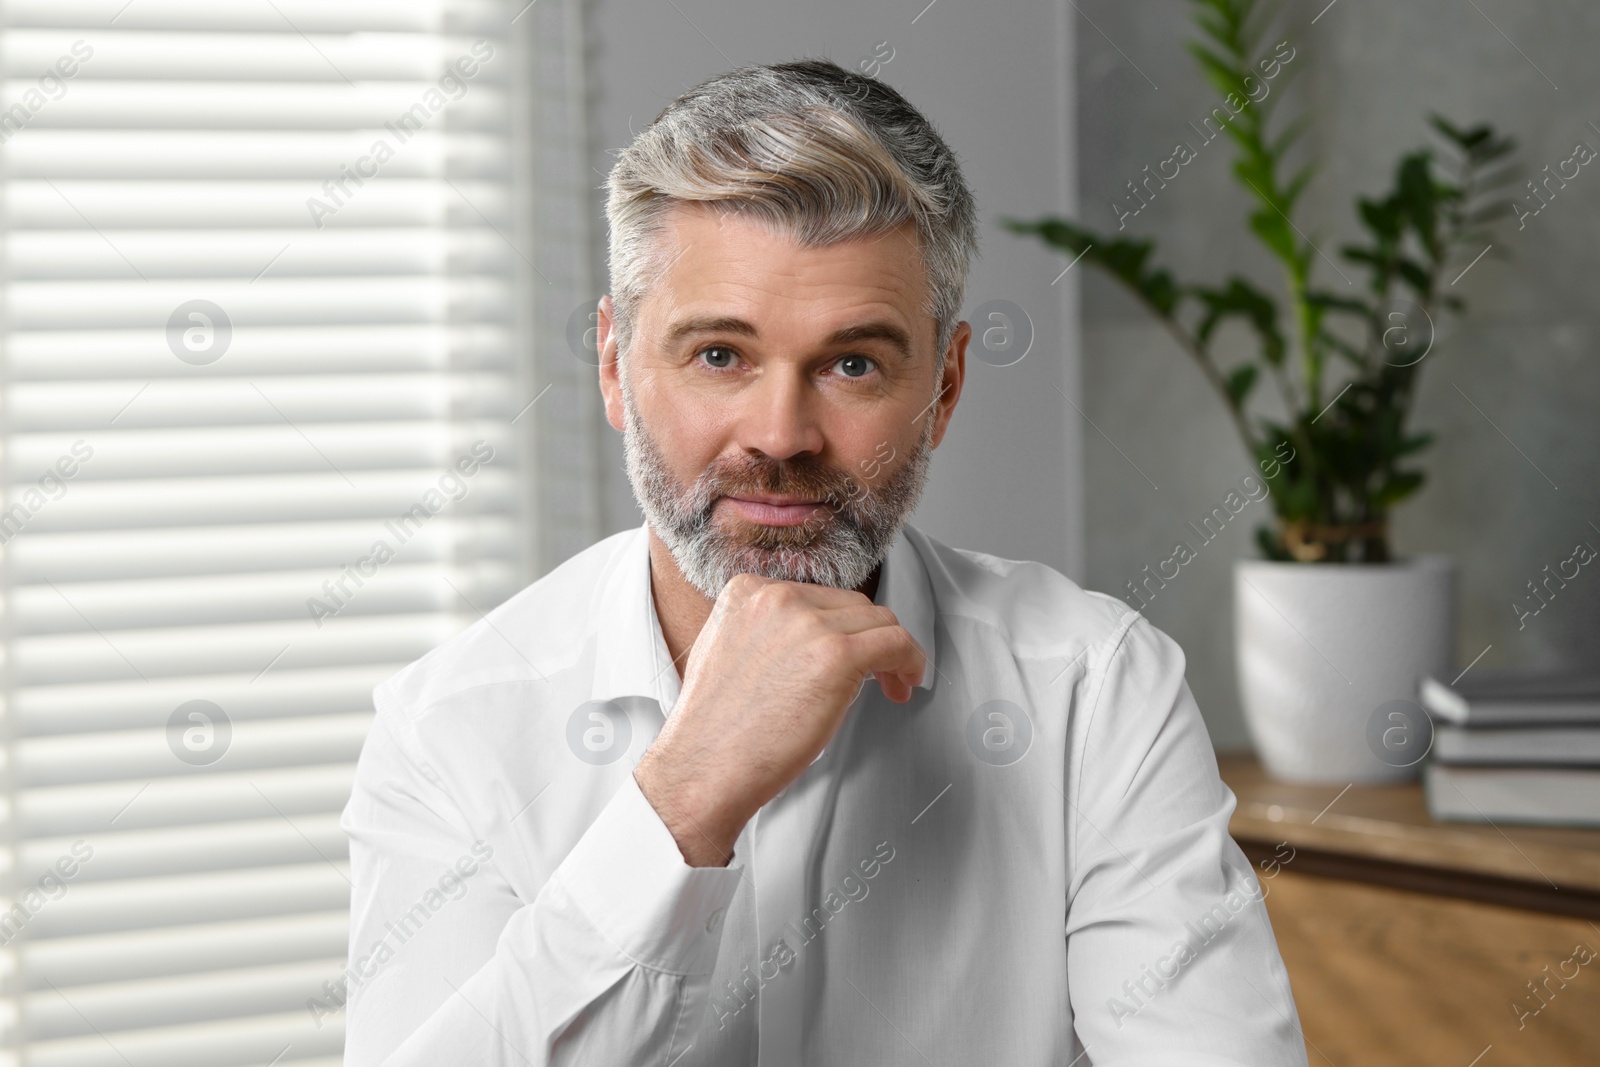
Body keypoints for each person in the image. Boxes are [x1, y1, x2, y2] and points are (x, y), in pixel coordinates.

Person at [340, 57, 1307, 1066]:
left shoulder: (1095, 691)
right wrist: (682, 796)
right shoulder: (448, 732)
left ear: (943, 385)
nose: (781, 433)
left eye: (853, 362)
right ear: (615, 364)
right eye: (719, 353)